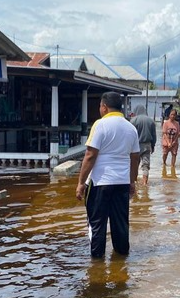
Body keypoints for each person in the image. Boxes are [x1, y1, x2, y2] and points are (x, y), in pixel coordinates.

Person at [76, 92, 140, 258]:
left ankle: (97, 266)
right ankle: (121, 260)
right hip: (122, 183)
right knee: (120, 224)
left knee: (97, 224)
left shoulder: (100, 125)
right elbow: (135, 158)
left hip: (100, 183)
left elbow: (90, 155)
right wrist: (132, 181)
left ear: (104, 107)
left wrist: (81, 183)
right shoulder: (130, 128)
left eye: (100, 106)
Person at [130, 105, 156, 185]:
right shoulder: (151, 121)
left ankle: (134, 182)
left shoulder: (133, 121)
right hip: (146, 145)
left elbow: (130, 135)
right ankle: (145, 183)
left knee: (134, 165)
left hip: (135, 147)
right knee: (145, 165)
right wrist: (153, 145)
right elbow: (154, 135)